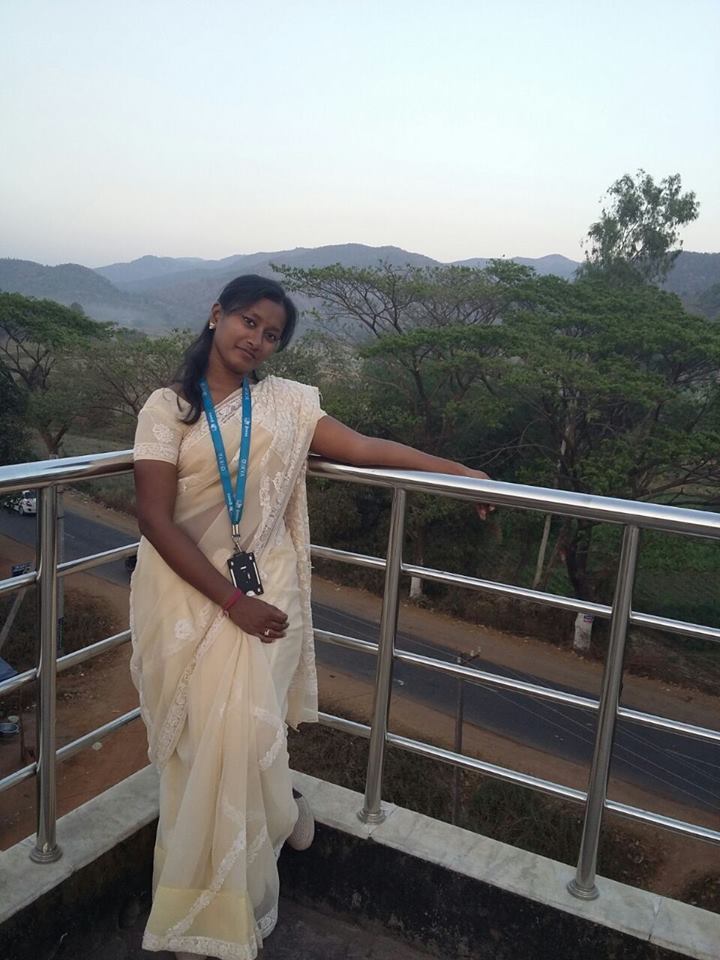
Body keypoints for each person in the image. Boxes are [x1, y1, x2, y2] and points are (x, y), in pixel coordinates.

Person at [130, 275, 491, 960]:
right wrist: (230, 601)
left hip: (268, 588)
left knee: (243, 734)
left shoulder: (288, 406)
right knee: (204, 748)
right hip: (189, 594)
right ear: (216, 315)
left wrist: (455, 470)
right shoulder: (167, 408)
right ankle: (259, 842)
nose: (257, 340)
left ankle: (232, 897)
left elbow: (364, 448)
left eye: (272, 335)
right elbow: (154, 517)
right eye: (248, 321)